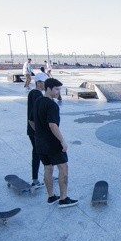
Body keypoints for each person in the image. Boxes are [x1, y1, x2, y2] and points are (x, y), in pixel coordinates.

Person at [33, 78, 77, 207]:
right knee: (63, 167)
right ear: (48, 88)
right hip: (52, 143)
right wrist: (62, 141)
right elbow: (53, 125)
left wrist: (40, 133)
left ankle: (51, 197)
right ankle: (63, 199)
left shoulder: (37, 101)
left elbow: (32, 120)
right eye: (56, 89)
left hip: (39, 142)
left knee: (48, 168)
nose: (58, 92)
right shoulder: (52, 105)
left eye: (59, 89)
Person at [26, 75, 47, 190]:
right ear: (38, 83)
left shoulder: (32, 93)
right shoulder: (38, 95)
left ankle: (46, 175)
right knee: (38, 153)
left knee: (39, 153)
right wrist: (38, 131)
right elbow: (33, 116)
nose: (45, 85)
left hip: (32, 130)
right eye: (44, 82)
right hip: (35, 131)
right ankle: (35, 180)